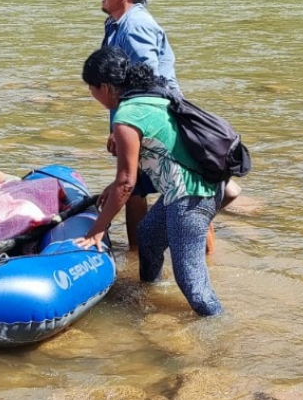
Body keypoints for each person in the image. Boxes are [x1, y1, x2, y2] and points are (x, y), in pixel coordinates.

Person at [76, 46, 225, 316]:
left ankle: (219, 337)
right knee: (148, 236)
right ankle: (150, 294)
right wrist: (114, 186)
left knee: (193, 285)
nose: (92, 95)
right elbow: (160, 149)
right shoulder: (151, 97)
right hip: (199, 186)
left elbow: (126, 184)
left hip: (190, 196)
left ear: (106, 87)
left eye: (92, 88)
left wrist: (97, 229)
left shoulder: (125, 117)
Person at [98, 0, 185, 251]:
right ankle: (139, 257)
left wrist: (125, 129)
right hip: (136, 118)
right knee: (136, 189)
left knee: (178, 191)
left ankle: (202, 257)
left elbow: (144, 80)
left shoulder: (136, 26)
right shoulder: (118, 23)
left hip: (151, 120)